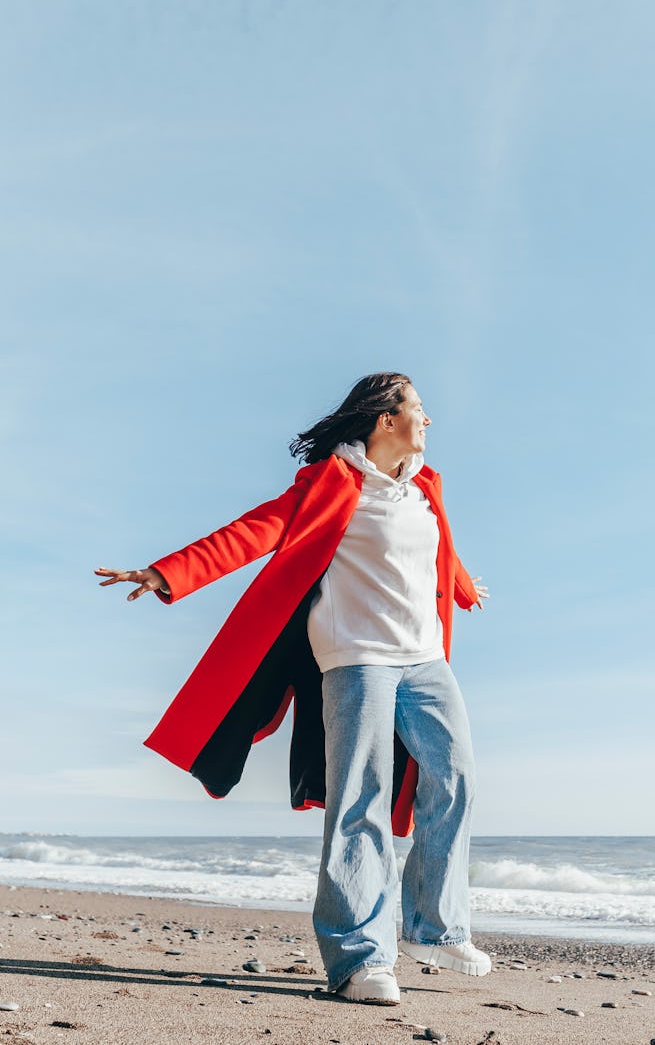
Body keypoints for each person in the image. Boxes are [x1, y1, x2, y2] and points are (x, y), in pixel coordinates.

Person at [96, 372, 490, 1006]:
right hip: (357, 658)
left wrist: (465, 587)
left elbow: (435, 551)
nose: (429, 419)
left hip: (425, 660)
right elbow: (252, 532)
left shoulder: (425, 486)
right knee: (359, 798)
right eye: (419, 408)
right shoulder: (331, 485)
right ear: (385, 419)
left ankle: (434, 928)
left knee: (456, 779)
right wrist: (167, 573)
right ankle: (361, 957)